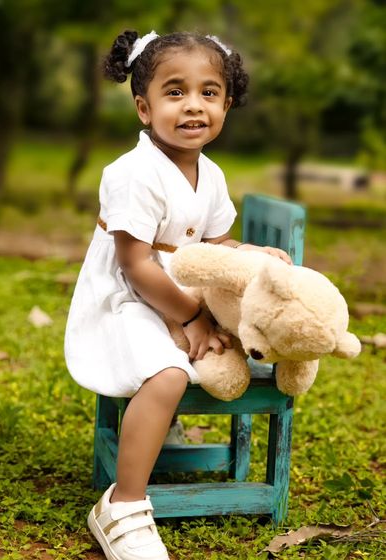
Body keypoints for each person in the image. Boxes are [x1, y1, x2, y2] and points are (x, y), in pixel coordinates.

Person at [64, 29, 291, 560]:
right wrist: (190, 316)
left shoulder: (208, 174)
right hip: (126, 297)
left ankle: (155, 434)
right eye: (175, 92)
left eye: (209, 93)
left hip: (177, 295)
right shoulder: (132, 174)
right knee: (165, 375)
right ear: (144, 108)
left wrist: (246, 251)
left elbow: (211, 245)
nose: (194, 106)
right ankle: (123, 504)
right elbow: (135, 264)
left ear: (227, 103)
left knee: (206, 356)